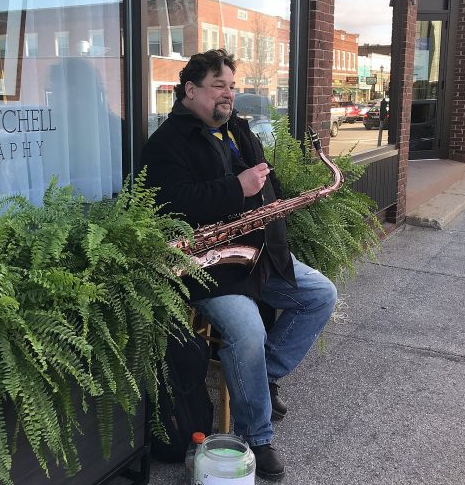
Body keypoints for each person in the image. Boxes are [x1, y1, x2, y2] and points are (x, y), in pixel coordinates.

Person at [140, 49, 337, 481]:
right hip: (212, 268)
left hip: (260, 256)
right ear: (190, 90)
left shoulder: (239, 130)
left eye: (231, 85)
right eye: (218, 86)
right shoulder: (166, 143)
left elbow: (268, 181)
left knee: (322, 294)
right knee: (247, 331)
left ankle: (261, 379)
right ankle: (258, 436)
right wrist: (238, 187)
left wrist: (273, 199)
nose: (228, 94)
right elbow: (174, 203)